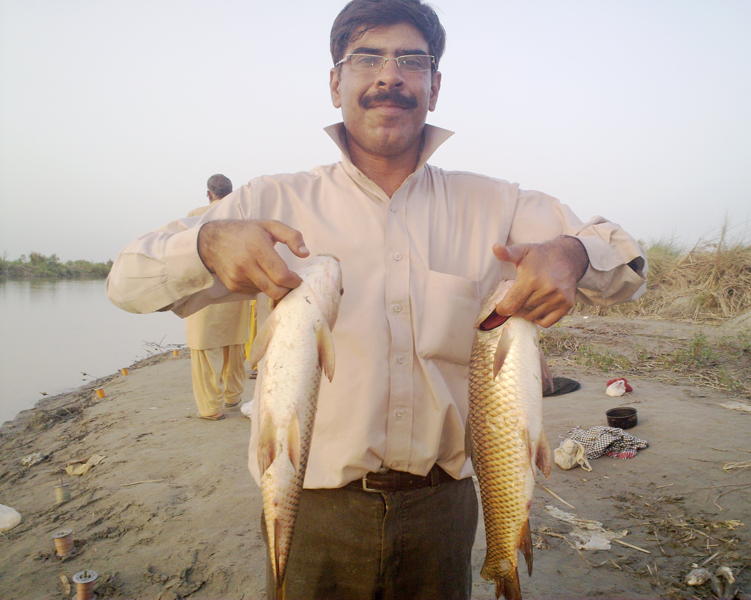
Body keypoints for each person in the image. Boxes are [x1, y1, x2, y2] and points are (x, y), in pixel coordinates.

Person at [107, 1, 646, 597]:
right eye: (366, 58)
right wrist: (207, 243)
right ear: (336, 82)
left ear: (434, 87)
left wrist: (571, 253)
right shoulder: (270, 200)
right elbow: (126, 283)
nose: (389, 75)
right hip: (311, 506)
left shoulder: (499, 205)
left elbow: (625, 265)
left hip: (447, 507)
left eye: (411, 60)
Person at [183, 174, 250, 421]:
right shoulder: (242, 217)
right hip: (235, 290)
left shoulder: (196, 215)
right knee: (233, 347)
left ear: (209, 194)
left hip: (204, 292)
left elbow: (185, 255)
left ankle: (211, 408)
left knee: (205, 351)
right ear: (231, 194)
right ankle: (233, 397)